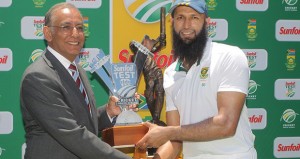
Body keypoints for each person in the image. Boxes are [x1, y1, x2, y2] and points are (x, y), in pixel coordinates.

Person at [136, 0, 257, 158]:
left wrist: (167, 132)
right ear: (172, 22)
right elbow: (175, 141)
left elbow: (226, 124)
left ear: (206, 22)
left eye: (194, 17)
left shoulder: (230, 56)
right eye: (180, 18)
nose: (187, 25)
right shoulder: (171, 73)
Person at [20, 2, 135, 159]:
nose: (75, 34)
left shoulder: (77, 69)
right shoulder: (38, 77)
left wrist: (108, 112)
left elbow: (80, 121)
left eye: (80, 28)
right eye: (66, 27)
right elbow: (72, 134)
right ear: (48, 33)